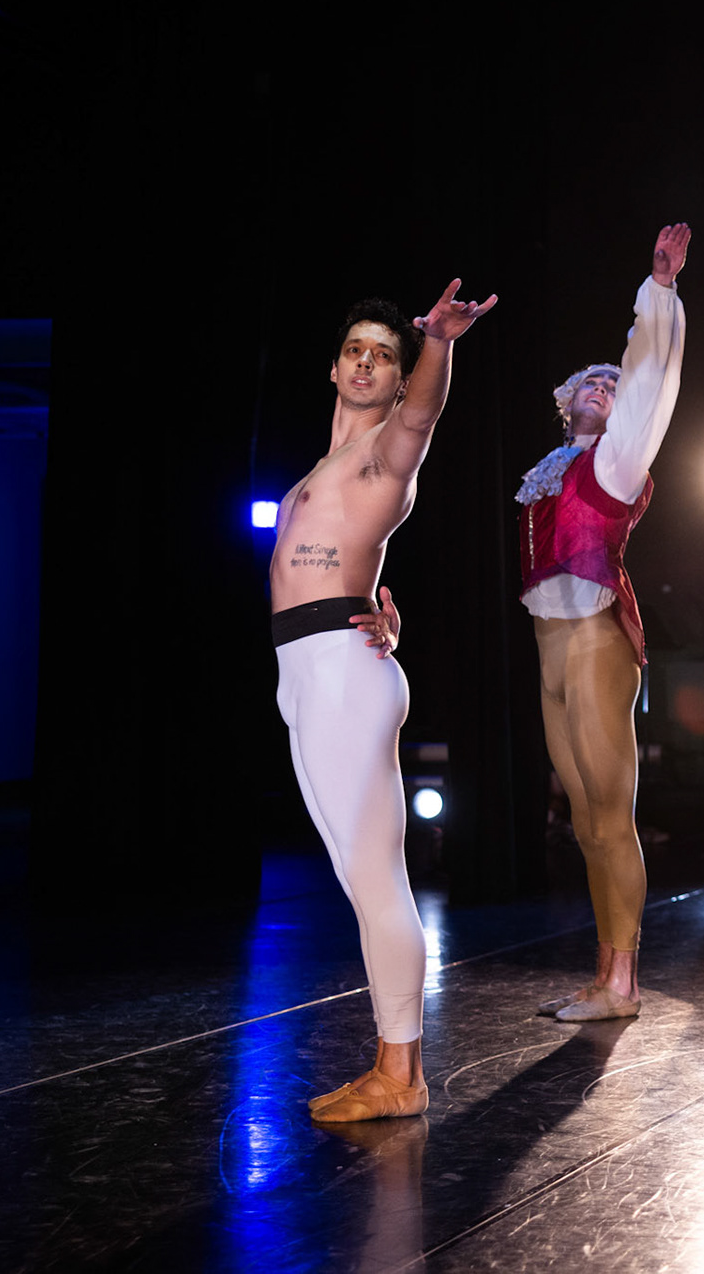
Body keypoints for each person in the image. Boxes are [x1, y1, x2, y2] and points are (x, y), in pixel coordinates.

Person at [272, 280, 497, 1121]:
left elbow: (424, 417)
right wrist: (380, 616)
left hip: (340, 670)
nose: (367, 363)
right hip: (312, 667)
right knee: (359, 875)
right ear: (333, 368)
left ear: (399, 379)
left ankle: (401, 1075)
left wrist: (439, 343)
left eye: (385, 356)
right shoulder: (322, 469)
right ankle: (392, 1066)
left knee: (375, 881)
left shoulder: (384, 451)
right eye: (355, 351)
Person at [519, 223, 690, 1023]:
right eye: (589, 381)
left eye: (611, 384)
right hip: (548, 650)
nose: (602, 386)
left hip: (596, 639)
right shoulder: (547, 473)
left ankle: (625, 984)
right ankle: (602, 975)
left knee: (611, 816)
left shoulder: (616, 462)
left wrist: (659, 293)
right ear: (566, 402)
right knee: (584, 822)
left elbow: (650, 381)